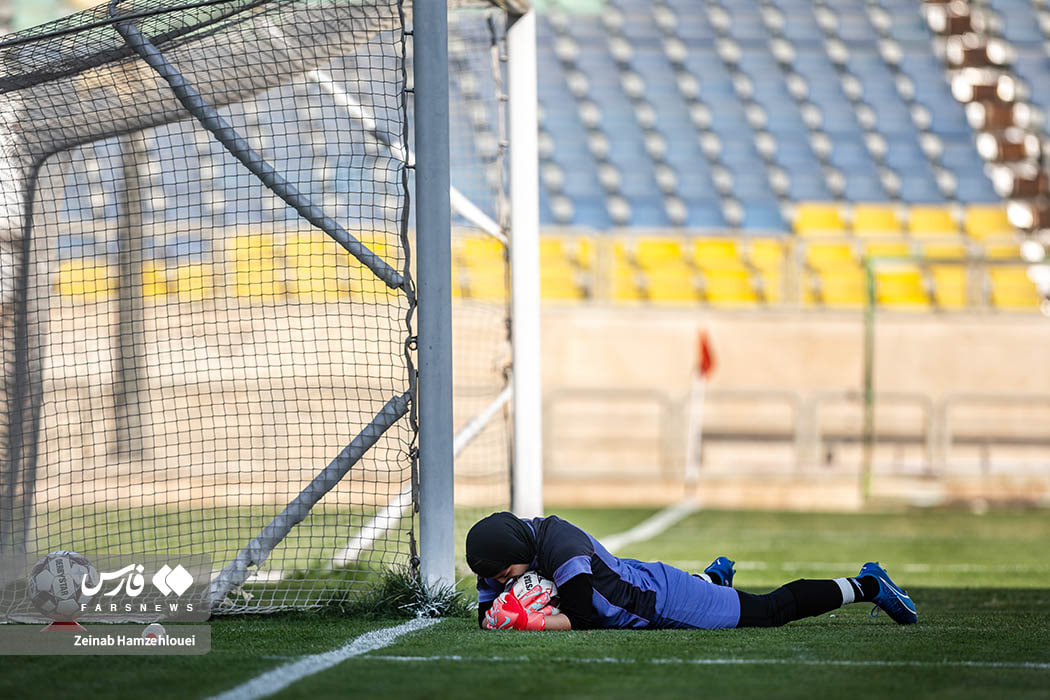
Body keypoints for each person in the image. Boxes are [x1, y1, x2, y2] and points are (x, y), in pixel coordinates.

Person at [466, 511, 917, 631]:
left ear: (516, 550)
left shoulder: (561, 548)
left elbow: (582, 620)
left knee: (769, 611)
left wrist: (530, 622)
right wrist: (496, 615)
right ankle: (714, 579)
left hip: (661, 602)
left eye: (506, 574)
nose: (503, 582)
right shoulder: (505, 555)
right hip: (634, 578)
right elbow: (486, 614)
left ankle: (867, 583)